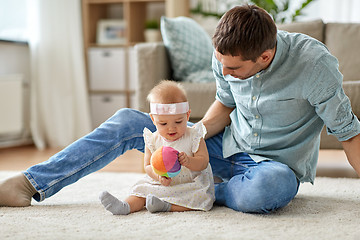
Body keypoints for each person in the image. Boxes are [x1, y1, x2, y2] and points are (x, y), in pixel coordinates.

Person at [1, 4, 360, 213]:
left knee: (271, 189)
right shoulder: (225, 56)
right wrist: (190, 137)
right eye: (222, 64)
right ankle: (31, 183)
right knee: (129, 121)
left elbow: (349, 132)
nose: (225, 71)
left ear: (264, 57)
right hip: (227, 148)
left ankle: (189, 193)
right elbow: (224, 105)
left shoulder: (314, 65)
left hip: (273, 166)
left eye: (233, 69)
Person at [99, 80, 214, 215]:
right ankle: (126, 206)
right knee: (141, 190)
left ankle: (166, 206)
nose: (171, 128)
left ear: (187, 115)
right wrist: (158, 177)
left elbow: (203, 161)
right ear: (153, 119)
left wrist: (189, 161)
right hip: (162, 183)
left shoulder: (194, 136)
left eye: (178, 121)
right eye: (163, 123)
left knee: (201, 198)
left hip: (188, 184)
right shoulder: (153, 139)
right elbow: (148, 165)